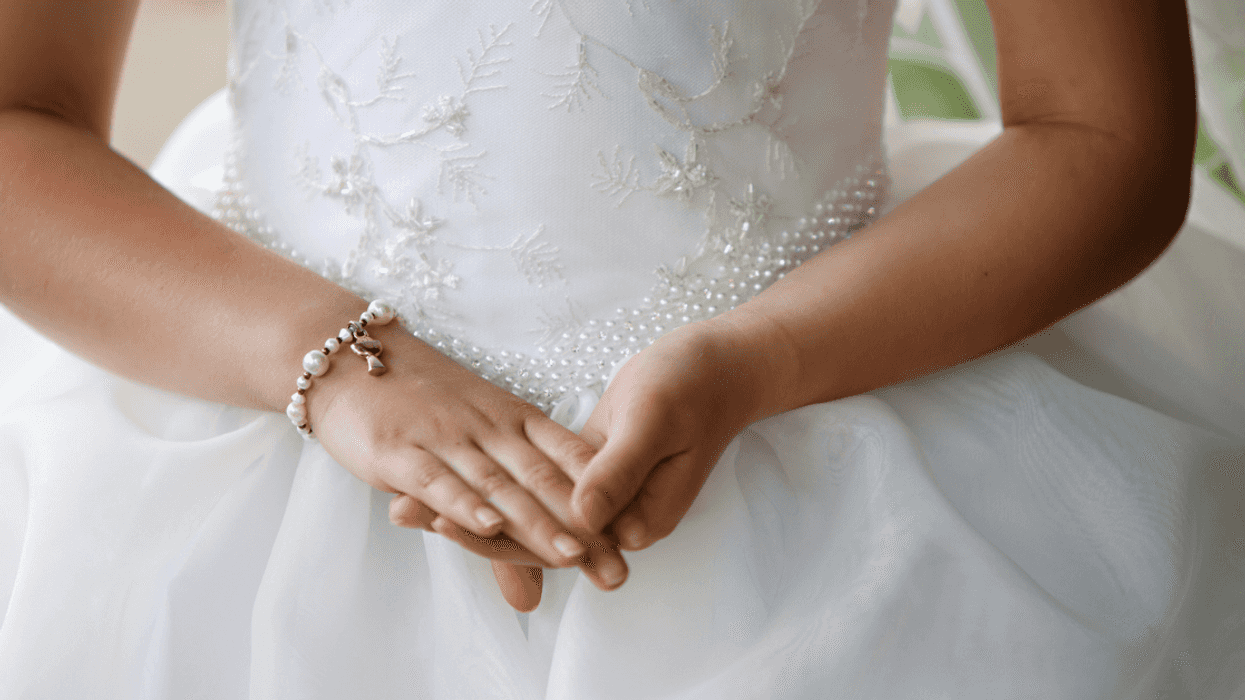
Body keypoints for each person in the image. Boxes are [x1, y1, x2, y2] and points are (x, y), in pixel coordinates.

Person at [0, 0, 1242, 697]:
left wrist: (760, 357)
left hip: (830, 430)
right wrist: (319, 361)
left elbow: (1103, 135)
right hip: (255, 432)